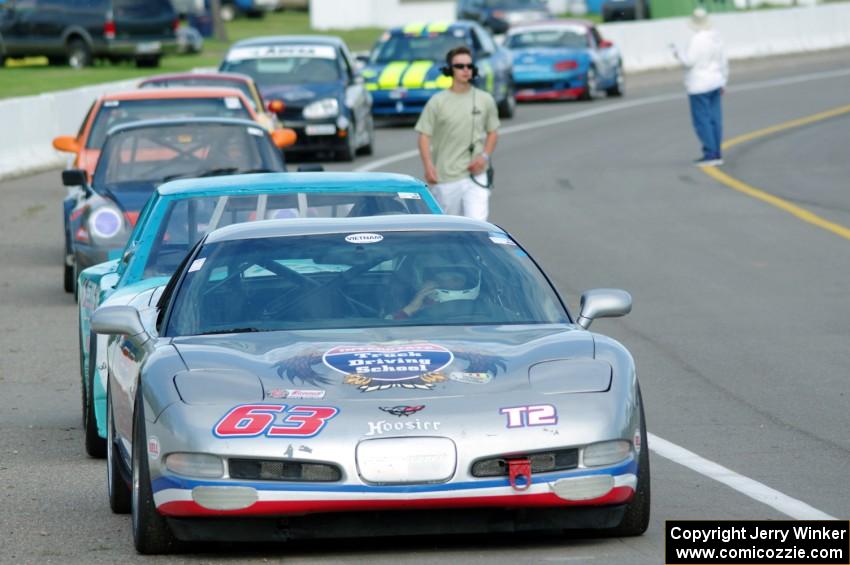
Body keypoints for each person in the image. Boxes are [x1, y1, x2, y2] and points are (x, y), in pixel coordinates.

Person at [415, 46, 500, 220]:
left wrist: (484, 157)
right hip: (446, 176)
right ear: (449, 70)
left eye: (469, 66)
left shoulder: (485, 99)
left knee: (477, 227)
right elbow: (424, 135)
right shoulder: (437, 102)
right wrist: (428, 166)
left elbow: (493, 131)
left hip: (476, 175)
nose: (465, 70)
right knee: (450, 228)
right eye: (460, 66)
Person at [672, 7, 729, 167]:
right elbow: (723, 61)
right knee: (715, 119)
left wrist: (677, 54)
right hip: (715, 81)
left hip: (698, 84)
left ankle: (710, 153)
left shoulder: (696, 40)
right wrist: (724, 80)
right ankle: (716, 151)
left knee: (702, 120)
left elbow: (689, 61)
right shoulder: (716, 38)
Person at [391, 257, 482, 319]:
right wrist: (411, 308)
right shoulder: (418, 305)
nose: (449, 284)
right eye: (441, 279)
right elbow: (389, 332)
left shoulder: (484, 306)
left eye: (456, 279)